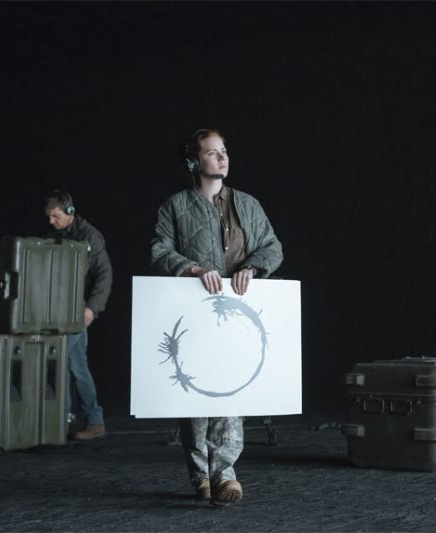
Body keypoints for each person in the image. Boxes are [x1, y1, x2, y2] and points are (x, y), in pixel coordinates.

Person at [150, 128, 283, 506]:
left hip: (236, 314)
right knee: (194, 394)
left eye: (224, 150)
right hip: (194, 314)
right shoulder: (175, 206)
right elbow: (159, 250)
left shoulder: (248, 205)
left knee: (231, 388)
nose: (222, 157)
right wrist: (192, 268)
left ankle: (224, 473)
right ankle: (200, 476)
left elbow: (272, 247)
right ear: (194, 161)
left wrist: (252, 268)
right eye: (212, 152)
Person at [45, 189, 113, 440]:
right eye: (48, 216)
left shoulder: (89, 236)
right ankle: (92, 421)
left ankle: (65, 421)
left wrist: (91, 308)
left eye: (55, 216)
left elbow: (104, 275)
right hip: (58, 312)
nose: (51, 221)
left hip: (76, 312)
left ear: (70, 211)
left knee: (62, 362)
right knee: (77, 366)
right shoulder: (54, 236)